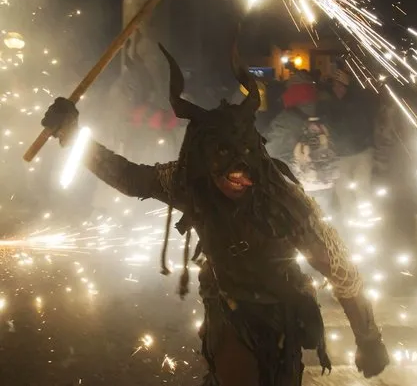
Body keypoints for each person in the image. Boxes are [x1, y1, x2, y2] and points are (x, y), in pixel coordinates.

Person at [41, 44, 389, 386]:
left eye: (245, 166)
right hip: (229, 309)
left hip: (283, 311)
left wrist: (368, 337)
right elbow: (131, 178)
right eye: (227, 169)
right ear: (205, 163)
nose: (240, 177)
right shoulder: (190, 183)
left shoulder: (282, 198)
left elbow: (340, 269)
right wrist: (72, 136)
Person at [264, 71, 338, 214]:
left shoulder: (286, 120)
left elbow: (270, 151)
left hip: (299, 183)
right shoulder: (323, 112)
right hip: (326, 179)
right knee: (327, 225)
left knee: (303, 227)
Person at [322, 68, 378, 221]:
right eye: (335, 85)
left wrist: (353, 86)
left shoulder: (359, 98)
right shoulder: (328, 102)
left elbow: (372, 103)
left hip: (362, 150)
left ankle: (367, 220)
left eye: (342, 85)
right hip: (340, 154)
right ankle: (351, 221)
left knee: (362, 187)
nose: (338, 89)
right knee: (343, 189)